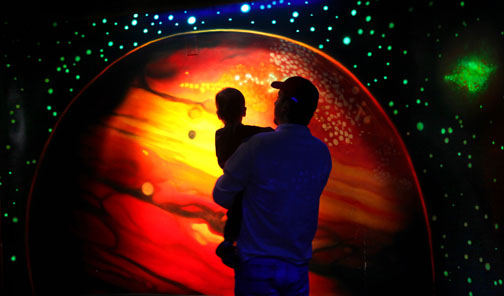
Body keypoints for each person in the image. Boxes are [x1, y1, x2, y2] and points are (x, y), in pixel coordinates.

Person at [213, 76, 332, 295]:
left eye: (279, 98)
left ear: (286, 106)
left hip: (257, 266)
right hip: (297, 268)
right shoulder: (322, 153)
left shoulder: (257, 145)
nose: (275, 103)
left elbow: (222, 195)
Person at [214, 87, 274, 268]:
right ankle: (233, 245)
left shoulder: (219, 135)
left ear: (219, 113)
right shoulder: (252, 133)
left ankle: (229, 242)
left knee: (234, 213)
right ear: (243, 111)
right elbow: (270, 131)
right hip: (249, 185)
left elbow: (222, 162)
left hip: (234, 185)